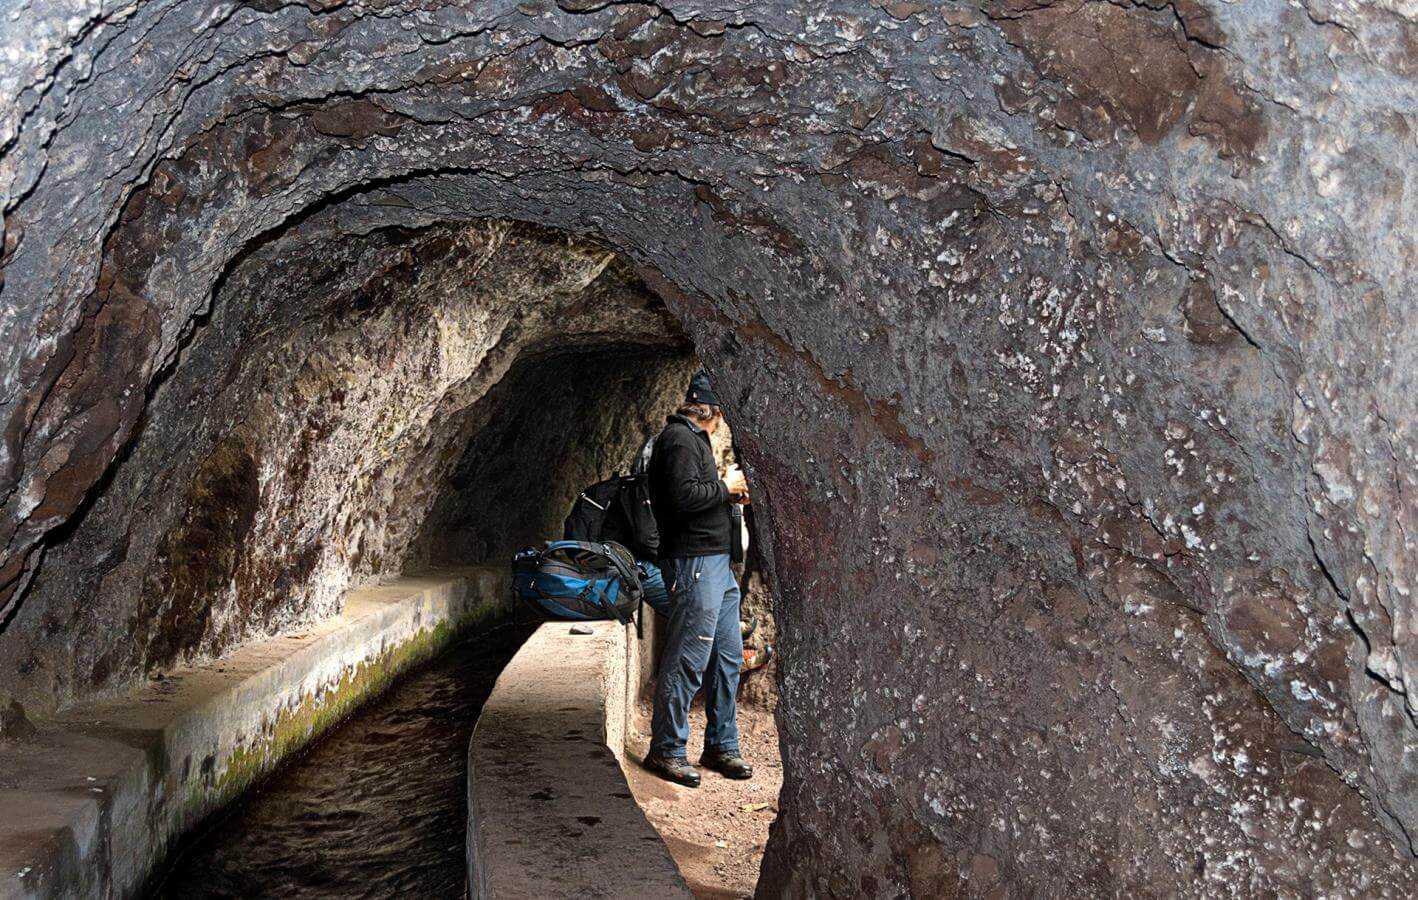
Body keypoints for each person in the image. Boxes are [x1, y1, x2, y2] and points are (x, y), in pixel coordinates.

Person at [642, 370, 752, 788]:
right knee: (689, 656)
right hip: (696, 563)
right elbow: (684, 497)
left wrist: (729, 494)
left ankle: (722, 744)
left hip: (717, 566)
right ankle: (667, 750)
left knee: (726, 658)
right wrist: (725, 485)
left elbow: (697, 495)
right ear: (717, 411)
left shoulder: (693, 440)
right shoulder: (679, 440)